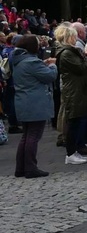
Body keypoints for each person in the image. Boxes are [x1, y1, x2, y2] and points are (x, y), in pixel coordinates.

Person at [13, 35, 57, 178]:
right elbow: (50, 76)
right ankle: (31, 167)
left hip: (22, 100)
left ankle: (21, 167)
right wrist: (52, 65)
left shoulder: (18, 60)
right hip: (35, 102)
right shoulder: (32, 62)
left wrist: (42, 64)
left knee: (26, 136)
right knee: (33, 135)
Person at [56, 26, 87, 164]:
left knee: (77, 120)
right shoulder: (67, 53)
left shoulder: (69, 52)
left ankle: (74, 150)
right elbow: (81, 68)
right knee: (74, 121)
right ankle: (70, 153)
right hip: (74, 90)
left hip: (77, 88)